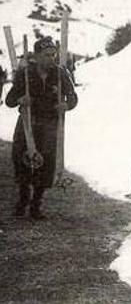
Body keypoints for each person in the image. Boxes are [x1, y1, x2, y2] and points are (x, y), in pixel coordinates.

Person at [5, 37, 78, 219]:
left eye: (53, 55)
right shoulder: (25, 74)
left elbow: (73, 98)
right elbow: (9, 100)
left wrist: (66, 106)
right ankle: (23, 199)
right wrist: (21, 100)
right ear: (36, 56)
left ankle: (36, 204)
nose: (51, 59)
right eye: (46, 55)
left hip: (50, 123)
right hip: (28, 122)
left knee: (46, 162)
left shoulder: (61, 73)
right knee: (22, 158)